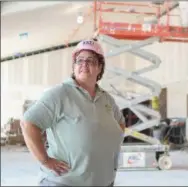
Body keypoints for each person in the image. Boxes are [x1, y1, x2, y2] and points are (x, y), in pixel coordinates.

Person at [20, 38, 126, 186]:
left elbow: (121, 123)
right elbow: (28, 123)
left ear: (100, 67)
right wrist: (45, 160)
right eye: (79, 60)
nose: (84, 64)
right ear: (74, 66)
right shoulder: (59, 94)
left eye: (90, 60)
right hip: (65, 182)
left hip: (103, 182)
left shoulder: (107, 99)